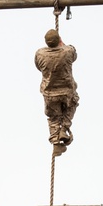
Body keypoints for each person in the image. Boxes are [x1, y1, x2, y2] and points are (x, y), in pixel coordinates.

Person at [34, 28, 78, 157]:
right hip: (67, 91)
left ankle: (55, 142)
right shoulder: (68, 51)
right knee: (72, 105)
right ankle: (64, 129)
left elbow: (38, 67)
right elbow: (74, 54)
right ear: (59, 40)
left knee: (53, 117)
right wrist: (62, 45)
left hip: (50, 93)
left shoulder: (40, 53)